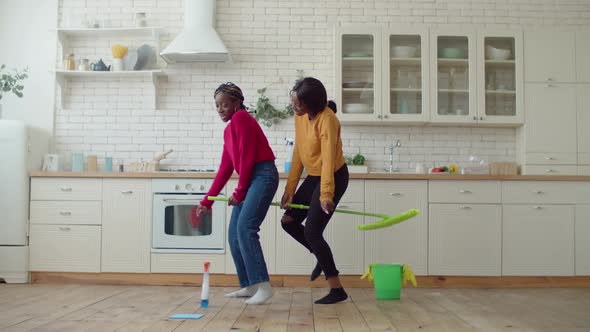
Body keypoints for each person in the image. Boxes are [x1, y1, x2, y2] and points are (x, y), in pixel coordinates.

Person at [196, 82, 278, 305]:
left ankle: (263, 286)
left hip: (263, 175)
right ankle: (249, 285)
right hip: (251, 178)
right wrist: (207, 201)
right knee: (234, 233)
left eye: (225, 104)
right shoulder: (228, 130)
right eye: (217, 105)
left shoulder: (242, 119)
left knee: (245, 228)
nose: (220, 109)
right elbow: (226, 167)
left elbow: (248, 157)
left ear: (237, 103)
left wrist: (240, 191)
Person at [280, 77, 349, 304]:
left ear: (312, 103)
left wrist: (326, 194)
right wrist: (290, 190)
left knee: (312, 232)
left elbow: (329, 158)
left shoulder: (327, 120)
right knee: (288, 221)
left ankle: (337, 289)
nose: (294, 107)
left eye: (298, 104)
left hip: (333, 176)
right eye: (293, 102)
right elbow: (299, 153)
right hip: (315, 176)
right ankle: (321, 255)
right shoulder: (300, 118)